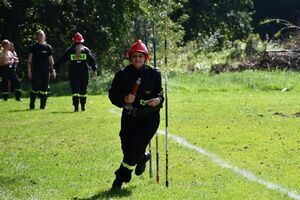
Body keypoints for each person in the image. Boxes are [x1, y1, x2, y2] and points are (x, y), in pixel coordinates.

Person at [108, 39, 164, 189]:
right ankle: (142, 158)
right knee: (127, 147)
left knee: (134, 147)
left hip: (149, 118)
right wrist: (124, 98)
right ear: (130, 57)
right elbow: (113, 95)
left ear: (145, 58)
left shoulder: (154, 74)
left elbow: (160, 93)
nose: (137, 59)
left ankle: (120, 179)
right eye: (134, 56)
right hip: (129, 117)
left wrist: (158, 99)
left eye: (140, 56)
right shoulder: (122, 74)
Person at [54, 32, 97, 112]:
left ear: (74, 41)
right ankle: (82, 106)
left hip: (74, 71)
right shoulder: (85, 49)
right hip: (82, 71)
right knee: (82, 89)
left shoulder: (70, 50)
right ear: (81, 41)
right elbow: (92, 60)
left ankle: (77, 107)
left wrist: (54, 67)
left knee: (76, 90)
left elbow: (62, 60)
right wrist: (94, 70)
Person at [27, 30, 56, 109]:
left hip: (45, 70)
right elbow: (29, 60)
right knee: (35, 87)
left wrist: (53, 70)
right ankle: (32, 104)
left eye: (42, 35)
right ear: (36, 37)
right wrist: (29, 71)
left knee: (44, 88)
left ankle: (43, 106)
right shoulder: (33, 47)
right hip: (35, 70)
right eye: (39, 35)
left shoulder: (48, 47)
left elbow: (51, 60)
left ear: (44, 36)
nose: (40, 37)